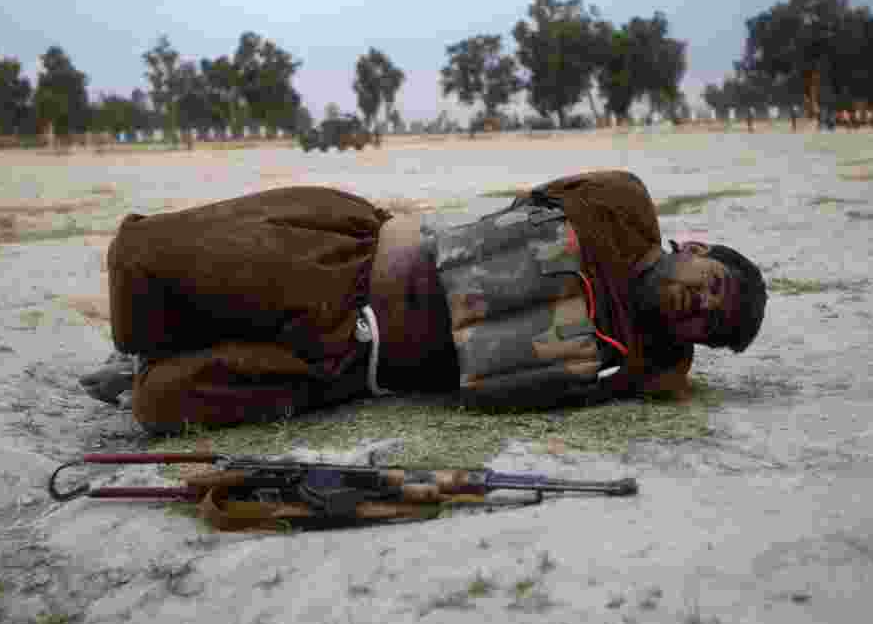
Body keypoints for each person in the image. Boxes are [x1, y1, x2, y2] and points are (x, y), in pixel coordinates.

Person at [81, 170, 767, 433]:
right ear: (698, 248)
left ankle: (147, 361)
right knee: (143, 258)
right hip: (355, 258)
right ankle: (140, 339)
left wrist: (681, 362)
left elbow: (674, 383)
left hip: (354, 363)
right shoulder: (626, 205)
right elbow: (538, 202)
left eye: (712, 325)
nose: (698, 308)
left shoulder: (655, 363)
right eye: (712, 288)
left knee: (158, 404)